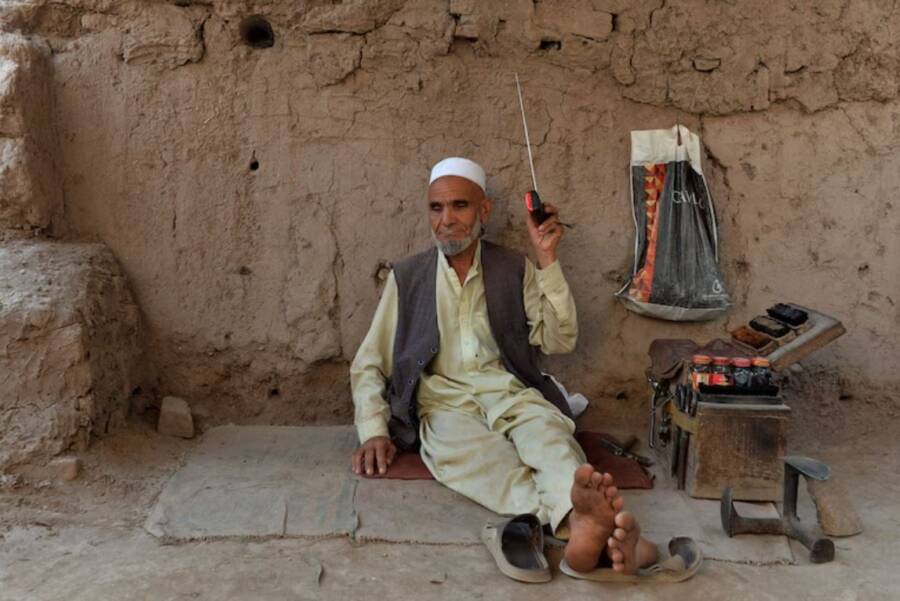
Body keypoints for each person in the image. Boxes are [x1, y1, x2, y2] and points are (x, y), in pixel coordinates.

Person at [349, 157, 657, 574]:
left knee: (550, 440)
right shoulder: (409, 277)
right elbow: (369, 363)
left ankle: (585, 528)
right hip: (447, 405)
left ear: (484, 211)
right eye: (436, 208)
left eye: (459, 206)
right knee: (481, 463)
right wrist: (373, 429)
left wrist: (547, 259)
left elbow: (558, 339)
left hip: (511, 392)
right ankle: (582, 526)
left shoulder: (513, 268)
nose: (446, 220)